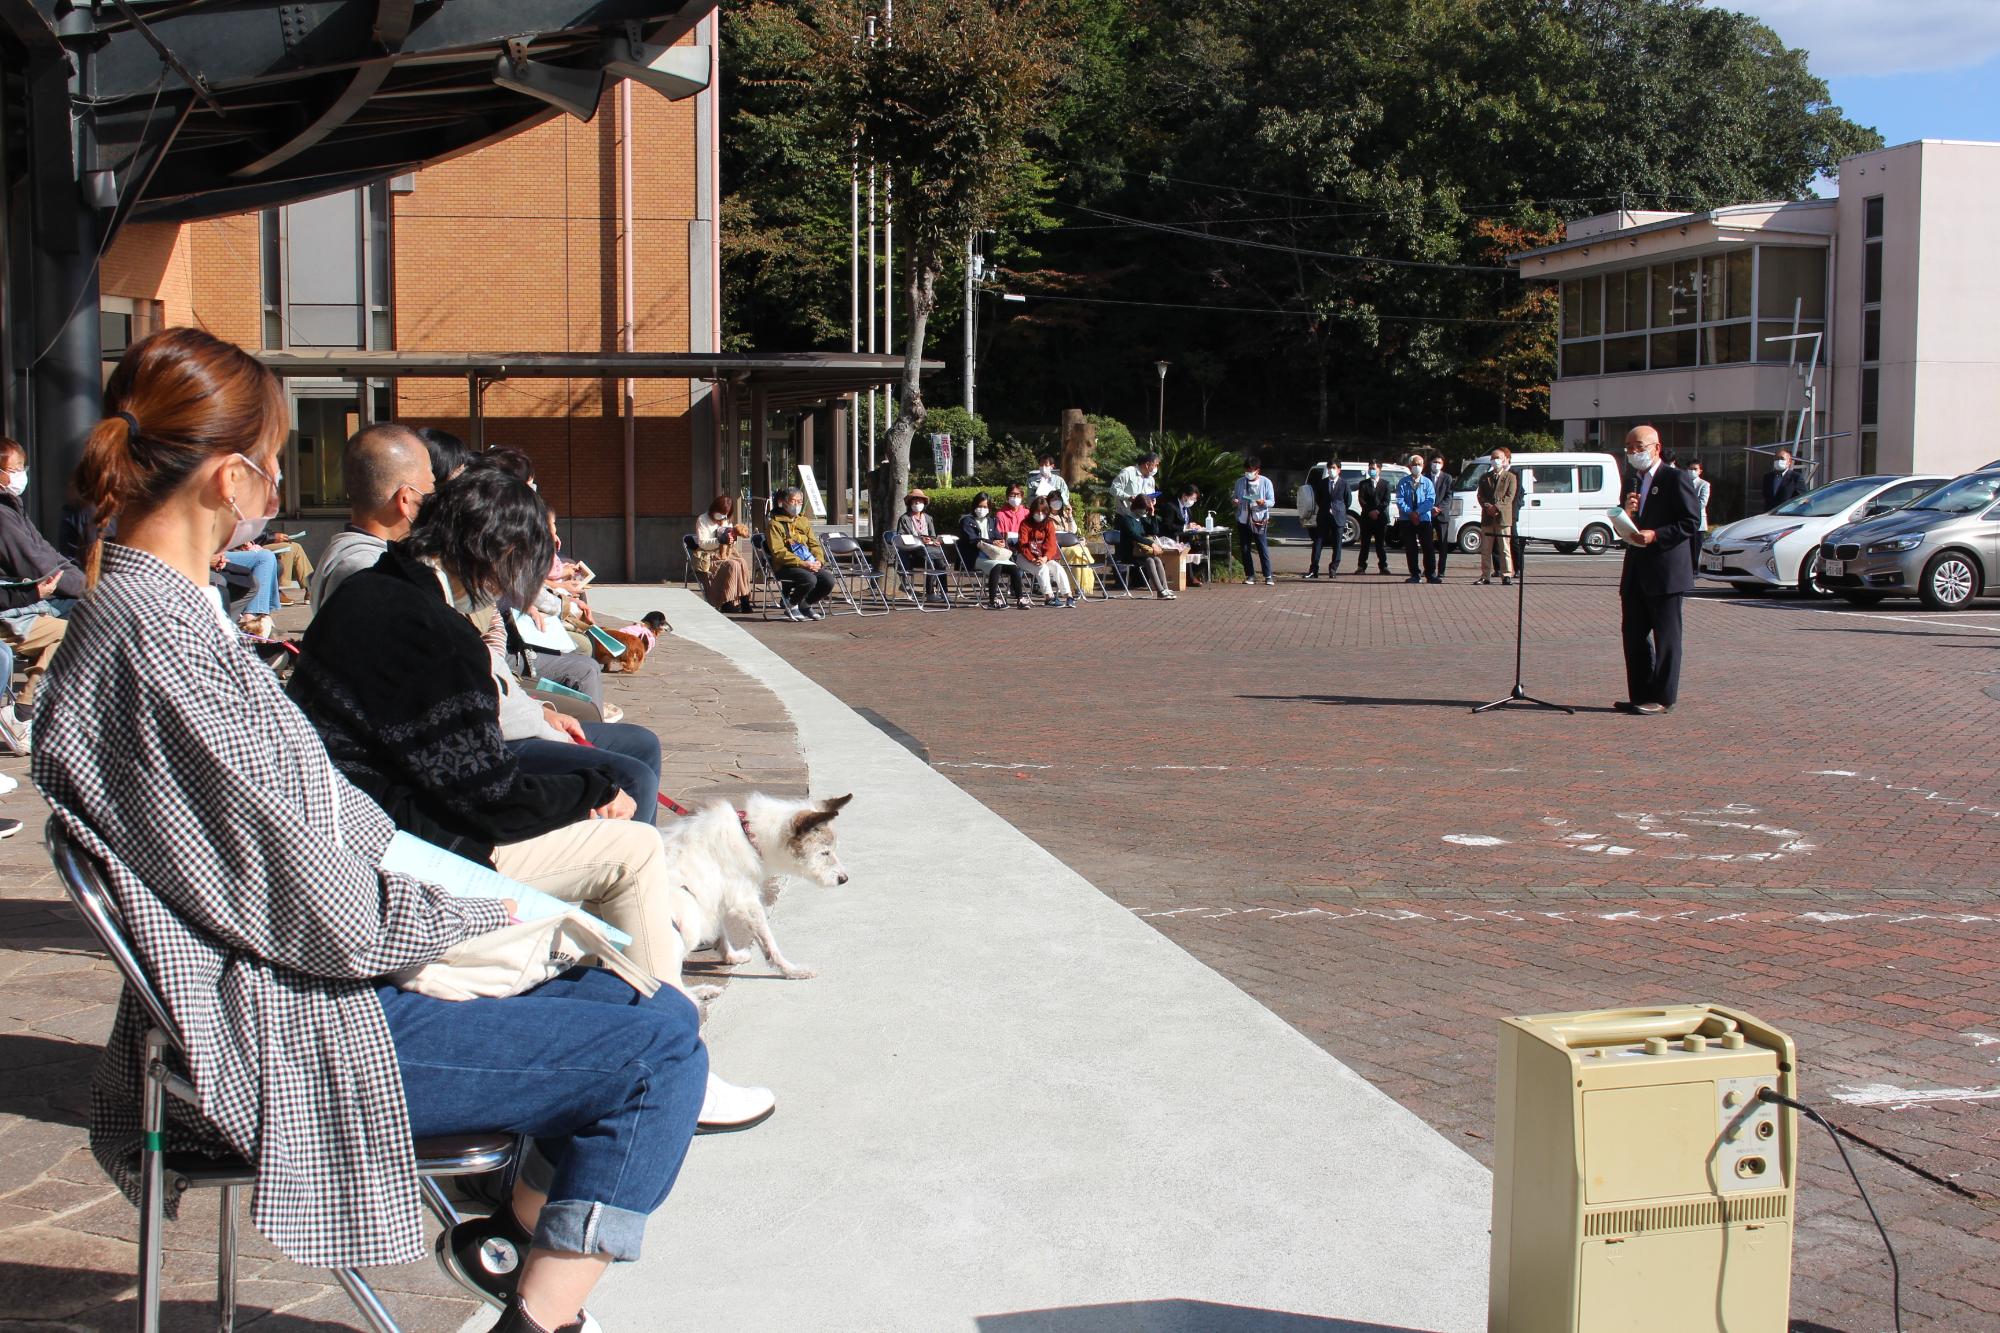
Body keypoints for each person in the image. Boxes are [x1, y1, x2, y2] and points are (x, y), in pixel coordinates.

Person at [36, 326, 705, 1333]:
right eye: (271, 473)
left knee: (630, 1000)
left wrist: (474, 907)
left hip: (266, 998)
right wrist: (467, 916)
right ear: (226, 479)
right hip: (294, 1023)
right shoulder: (160, 643)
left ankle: (511, 1257)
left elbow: (305, 842)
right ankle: (534, 1303)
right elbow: (322, 905)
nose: (273, 497)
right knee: (659, 1045)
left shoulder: (144, 621)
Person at [1617, 424, 1700, 716]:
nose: (1633, 453)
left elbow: (1690, 522)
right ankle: (1640, 693)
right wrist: (1626, 514)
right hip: (1636, 570)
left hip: (1665, 571)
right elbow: (1625, 523)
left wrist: (1656, 535)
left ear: (1656, 448)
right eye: (1628, 448)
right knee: (1634, 635)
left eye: (1639, 447)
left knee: (1667, 638)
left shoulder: (1675, 478)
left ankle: (1663, 697)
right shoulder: (1632, 481)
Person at [312, 423, 434, 607]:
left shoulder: (347, 556)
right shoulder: (369, 571)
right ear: (405, 499)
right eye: (431, 488)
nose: (434, 498)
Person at [766, 487, 835, 621]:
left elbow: (814, 544)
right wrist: (802, 563)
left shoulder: (803, 521)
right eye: (793, 501)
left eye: (800, 501)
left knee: (828, 579)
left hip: (808, 562)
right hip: (785, 566)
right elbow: (778, 551)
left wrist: (818, 561)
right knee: (809, 579)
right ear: (784, 502)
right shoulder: (774, 523)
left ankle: (806, 604)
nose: (796, 504)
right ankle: (791, 605)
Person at [959, 491, 1028, 609]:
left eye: (985, 507)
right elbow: (972, 539)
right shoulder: (967, 521)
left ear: (989, 508)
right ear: (974, 506)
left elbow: (998, 536)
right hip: (975, 556)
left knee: (1014, 567)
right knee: (997, 566)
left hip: (992, 555)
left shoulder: (991, 521)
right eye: (979, 506)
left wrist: (1001, 542)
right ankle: (992, 600)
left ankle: (1020, 598)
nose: (982, 509)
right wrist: (992, 542)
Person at [693, 494, 753, 613]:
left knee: (742, 562)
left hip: (726, 552)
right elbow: (702, 543)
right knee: (733, 565)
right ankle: (727, 601)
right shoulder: (702, 519)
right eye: (720, 513)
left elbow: (730, 540)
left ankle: (744, 598)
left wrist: (732, 538)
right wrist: (719, 540)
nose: (722, 517)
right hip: (710, 556)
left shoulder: (726, 520)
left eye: (725, 514)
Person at [1016, 494, 1075, 607]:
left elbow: (1051, 544)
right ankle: (1049, 597)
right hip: (1024, 557)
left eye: (1043, 512)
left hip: (1043, 557)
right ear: (1032, 511)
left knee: (1057, 567)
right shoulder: (1025, 524)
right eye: (1037, 512)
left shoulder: (1049, 523)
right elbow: (1023, 545)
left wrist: (1045, 557)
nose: (1040, 514)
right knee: (1042, 568)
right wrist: (1032, 559)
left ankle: (1068, 596)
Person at [1113, 493, 1176, 599]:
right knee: (1150, 561)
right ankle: (1160, 591)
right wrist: (1152, 544)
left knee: (1157, 560)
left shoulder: (1141, 519)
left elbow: (1154, 531)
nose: (1145, 512)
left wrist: (1152, 514)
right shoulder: (1127, 520)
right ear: (1136, 507)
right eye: (1144, 509)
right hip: (1130, 553)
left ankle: (1165, 588)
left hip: (1141, 552)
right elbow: (1135, 536)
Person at [892, 489, 951, 602]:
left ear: (924, 503)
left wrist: (935, 541)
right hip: (913, 552)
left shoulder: (928, 518)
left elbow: (933, 535)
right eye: (915, 502)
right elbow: (902, 537)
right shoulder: (904, 519)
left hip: (929, 549)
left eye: (920, 501)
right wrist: (919, 540)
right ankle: (930, 592)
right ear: (910, 504)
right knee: (930, 562)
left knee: (941, 563)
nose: (917, 504)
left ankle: (944, 592)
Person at [1475, 447, 1519, 586]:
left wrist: (1497, 507)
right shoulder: (1484, 477)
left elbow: (1509, 496)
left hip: (1503, 517)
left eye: (1498, 458)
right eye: (1493, 458)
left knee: (1504, 547)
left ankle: (1506, 575)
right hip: (1487, 517)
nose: (1496, 461)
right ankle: (1485, 575)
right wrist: (1487, 506)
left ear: (1505, 460)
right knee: (1486, 549)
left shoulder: (1510, 477)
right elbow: (1480, 495)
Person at [1395, 452, 1439, 584]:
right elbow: (1400, 500)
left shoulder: (1428, 483)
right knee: (1410, 547)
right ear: (1409, 466)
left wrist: (1418, 512)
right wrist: (1410, 513)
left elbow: (1430, 500)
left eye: (1419, 464)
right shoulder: (1403, 482)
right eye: (1414, 464)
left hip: (1424, 519)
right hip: (1407, 520)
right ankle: (1415, 574)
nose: (1417, 467)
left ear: (1423, 466)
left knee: (1428, 547)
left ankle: (1430, 574)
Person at [1233, 456, 1275, 586]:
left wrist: (1264, 502)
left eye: (1251, 470)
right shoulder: (1240, 482)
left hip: (1259, 519)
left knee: (1262, 548)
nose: (1249, 473)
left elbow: (1272, 501)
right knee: (1245, 549)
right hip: (1243, 519)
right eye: (1247, 470)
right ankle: (1250, 575)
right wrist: (1235, 501)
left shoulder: (1266, 482)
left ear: (1257, 470)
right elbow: (1235, 496)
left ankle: (1268, 575)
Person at [1306, 459, 1350, 579]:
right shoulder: (1322, 483)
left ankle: (1333, 569)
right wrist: (1326, 508)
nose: (1331, 470)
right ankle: (1313, 569)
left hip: (1338, 516)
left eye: (1334, 468)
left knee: (1337, 545)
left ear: (1339, 470)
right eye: (1330, 467)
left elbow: (1347, 500)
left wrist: (1338, 509)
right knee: (1318, 542)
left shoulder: (1344, 483)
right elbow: (1318, 498)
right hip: (1324, 516)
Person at [1161, 484, 1206, 586]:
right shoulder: (1171, 506)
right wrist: (1185, 527)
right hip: (1172, 538)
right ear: (1184, 495)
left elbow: (1188, 523)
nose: (1193, 502)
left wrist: (1194, 526)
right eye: (1192, 498)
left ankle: (1193, 575)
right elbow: (1167, 525)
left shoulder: (1187, 509)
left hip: (1185, 537)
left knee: (1201, 547)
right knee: (1186, 547)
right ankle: (1189, 578)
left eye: (1195, 499)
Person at [1050, 495, 1096, 595]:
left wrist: (1070, 515)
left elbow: (1073, 530)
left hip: (1070, 545)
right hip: (1057, 547)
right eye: (1053, 499)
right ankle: (1076, 585)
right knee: (1076, 552)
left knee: (1082, 551)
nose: (1056, 502)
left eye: (1058, 499)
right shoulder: (1046, 517)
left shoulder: (1064, 516)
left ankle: (1081, 584)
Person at [1353, 462, 1392, 575]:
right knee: (1365, 544)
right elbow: (1361, 499)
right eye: (1370, 468)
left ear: (1379, 469)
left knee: (1380, 545)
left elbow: (1386, 500)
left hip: (1381, 519)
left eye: (1373, 468)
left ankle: (1383, 566)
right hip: (1367, 518)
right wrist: (1370, 511)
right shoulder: (1363, 484)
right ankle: (1361, 566)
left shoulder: (1386, 484)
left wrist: (1377, 511)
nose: (1371, 470)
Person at [1427, 455, 1454, 582]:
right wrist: (1429, 508)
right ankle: (1428, 569)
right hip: (1427, 514)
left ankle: (1441, 570)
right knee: (1428, 543)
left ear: (1442, 464)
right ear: (1430, 463)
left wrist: (1439, 508)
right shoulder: (1425, 477)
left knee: (1442, 544)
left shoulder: (1447, 478)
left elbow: (1449, 496)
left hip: (1442, 515)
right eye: (1434, 462)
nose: (1436, 464)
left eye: (1439, 462)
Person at [1688, 460, 1712, 577]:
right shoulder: (1684, 482)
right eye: (1690, 468)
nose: (1692, 471)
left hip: (1698, 520)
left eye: (1695, 469)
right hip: (1685, 520)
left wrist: (1687, 507)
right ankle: (1688, 568)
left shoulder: (1704, 484)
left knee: (1697, 546)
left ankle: (1696, 569)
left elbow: (1703, 502)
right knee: (1687, 546)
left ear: (1700, 471)